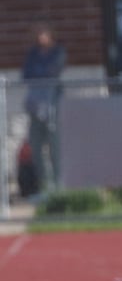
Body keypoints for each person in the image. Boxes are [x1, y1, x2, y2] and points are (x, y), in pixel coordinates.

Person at [21, 23, 66, 195]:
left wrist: (40, 73)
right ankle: (44, 184)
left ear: (50, 34)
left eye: (44, 33)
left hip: (52, 105)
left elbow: (54, 71)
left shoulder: (58, 52)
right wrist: (41, 73)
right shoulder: (32, 53)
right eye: (38, 33)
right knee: (35, 145)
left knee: (55, 146)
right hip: (35, 106)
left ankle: (58, 183)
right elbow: (26, 74)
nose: (41, 37)